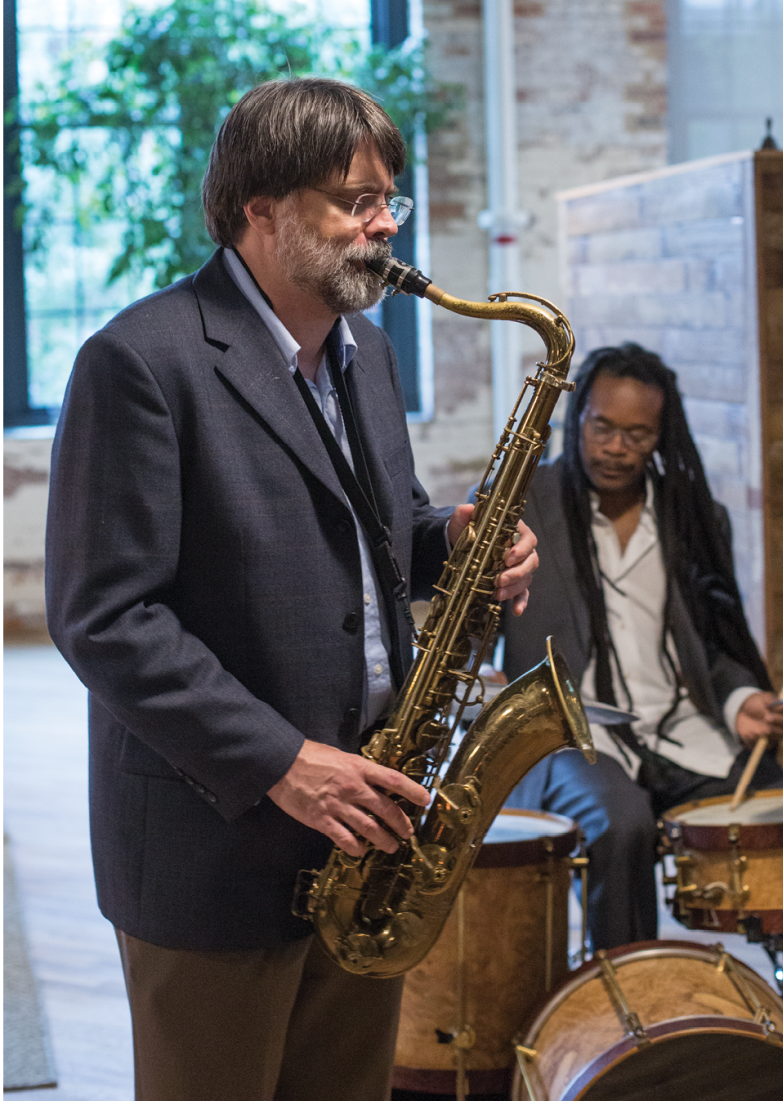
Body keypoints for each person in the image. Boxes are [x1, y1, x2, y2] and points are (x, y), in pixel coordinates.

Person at [44, 78, 539, 1101]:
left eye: (387, 197)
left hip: (366, 831)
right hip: (215, 844)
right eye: (354, 198)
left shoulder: (364, 356)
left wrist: (454, 542)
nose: (384, 222)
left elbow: (379, 531)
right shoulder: (139, 362)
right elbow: (104, 617)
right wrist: (281, 762)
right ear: (258, 208)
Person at [502, 342, 783, 951]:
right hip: (572, 735)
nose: (615, 448)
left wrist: (739, 699)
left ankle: (780, 1002)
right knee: (621, 822)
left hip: (684, 728)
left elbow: (712, 642)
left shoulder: (693, 518)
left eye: (638, 434)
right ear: (578, 417)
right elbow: (475, 626)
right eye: (603, 427)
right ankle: (626, 991)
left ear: (662, 436)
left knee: (780, 811)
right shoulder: (524, 508)